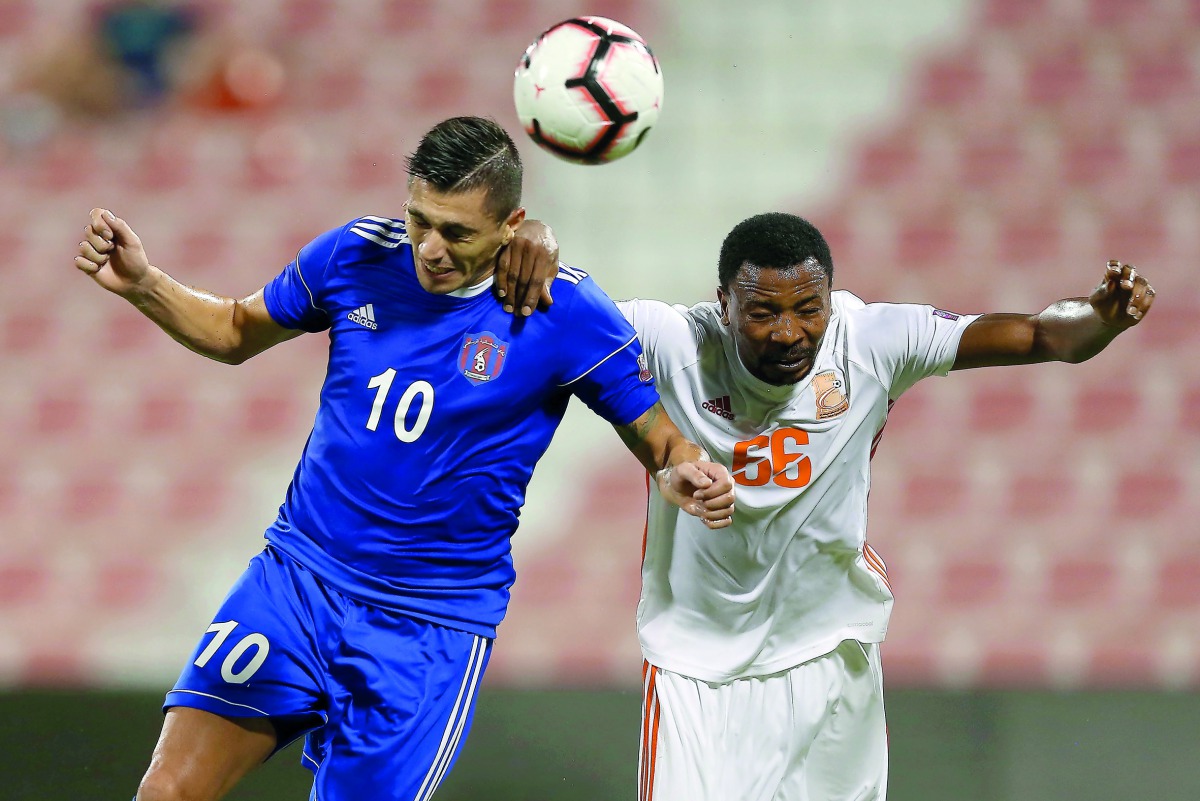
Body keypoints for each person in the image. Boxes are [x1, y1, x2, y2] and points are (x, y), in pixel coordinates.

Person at [73, 116, 735, 801]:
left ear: (511, 225)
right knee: (168, 792)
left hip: (428, 626)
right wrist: (145, 283)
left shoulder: (560, 309)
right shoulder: (353, 255)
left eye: (458, 233)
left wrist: (683, 468)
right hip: (297, 581)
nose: (430, 248)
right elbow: (237, 329)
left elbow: (660, 437)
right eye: (420, 219)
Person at [616, 212, 1155, 801]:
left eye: (809, 308)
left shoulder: (870, 342)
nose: (789, 333)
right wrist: (544, 252)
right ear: (725, 306)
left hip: (831, 647)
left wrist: (1100, 317)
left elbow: (1043, 335)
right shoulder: (674, 341)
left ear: (830, 300)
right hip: (696, 665)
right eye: (763, 313)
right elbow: (562, 315)